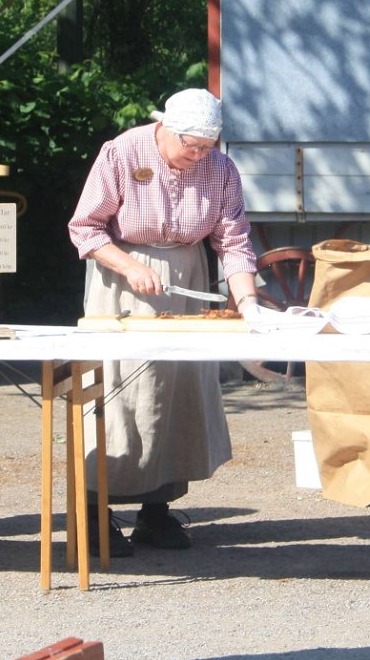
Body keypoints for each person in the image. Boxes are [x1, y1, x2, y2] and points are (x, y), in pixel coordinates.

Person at [67, 88, 259, 556]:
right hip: (122, 283)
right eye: (188, 146)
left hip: (187, 277)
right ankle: (95, 515)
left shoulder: (221, 169)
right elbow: (85, 228)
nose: (196, 156)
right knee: (119, 398)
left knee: (176, 398)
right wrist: (131, 266)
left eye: (205, 147)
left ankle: (156, 514)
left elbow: (233, 243)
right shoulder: (122, 152)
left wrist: (249, 303)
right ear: (165, 130)